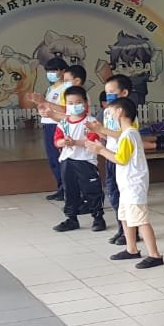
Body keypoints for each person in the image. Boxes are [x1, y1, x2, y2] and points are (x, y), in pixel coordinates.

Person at [86, 98, 164, 269]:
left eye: (111, 112)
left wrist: (100, 150)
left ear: (120, 112)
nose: (110, 116)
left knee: (140, 219)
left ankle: (155, 255)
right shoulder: (126, 134)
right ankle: (131, 249)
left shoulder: (129, 135)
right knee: (125, 216)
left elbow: (120, 159)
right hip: (126, 183)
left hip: (134, 184)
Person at [52, 83, 105, 233]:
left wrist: (75, 142)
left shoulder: (91, 122)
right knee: (70, 191)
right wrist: (64, 142)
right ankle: (71, 219)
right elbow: (56, 141)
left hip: (85, 161)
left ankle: (98, 218)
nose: (74, 106)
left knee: (92, 190)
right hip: (67, 162)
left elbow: (93, 141)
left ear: (85, 103)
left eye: (78, 102)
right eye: (70, 103)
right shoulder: (63, 123)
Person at [98, 74, 134, 247]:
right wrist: (98, 133)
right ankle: (122, 228)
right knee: (113, 195)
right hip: (110, 156)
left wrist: (102, 130)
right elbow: (109, 135)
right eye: (106, 93)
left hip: (122, 159)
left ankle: (131, 232)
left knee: (124, 197)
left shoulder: (128, 114)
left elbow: (124, 134)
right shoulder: (107, 112)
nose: (108, 96)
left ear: (124, 93)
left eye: (112, 92)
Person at [36, 57, 70, 201]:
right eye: (48, 71)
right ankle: (61, 187)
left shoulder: (67, 88)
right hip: (48, 123)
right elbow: (46, 105)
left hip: (58, 124)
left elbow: (64, 109)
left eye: (53, 70)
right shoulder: (51, 88)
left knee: (60, 157)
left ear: (63, 71)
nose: (50, 74)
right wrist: (40, 106)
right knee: (53, 159)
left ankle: (67, 188)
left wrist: (45, 102)